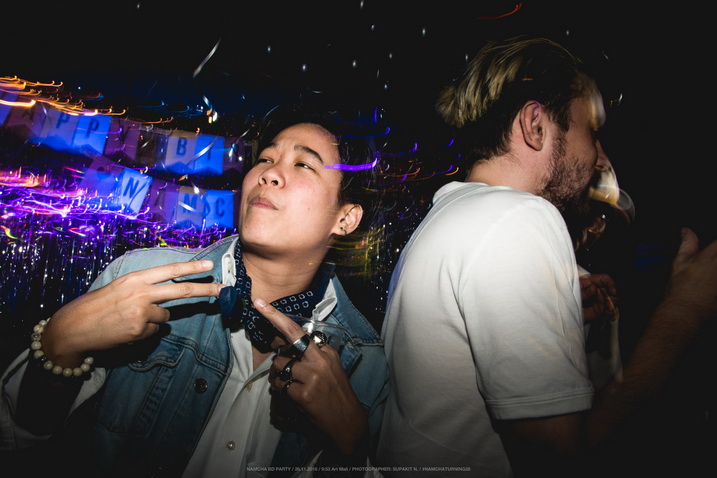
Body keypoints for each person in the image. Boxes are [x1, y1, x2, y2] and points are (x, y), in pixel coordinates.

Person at [376, 35, 717, 477]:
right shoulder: (518, 216)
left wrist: (560, 315)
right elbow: (565, 456)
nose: (600, 158)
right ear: (535, 124)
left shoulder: (454, 211)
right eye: (591, 131)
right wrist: (685, 308)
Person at [0, 99, 390, 477]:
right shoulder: (141, 278)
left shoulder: (366, 362)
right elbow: (18, 439)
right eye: (265, 159)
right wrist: (59, 343)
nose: (269, 174)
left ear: (345, 218)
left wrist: (350, 447)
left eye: (303, 164)